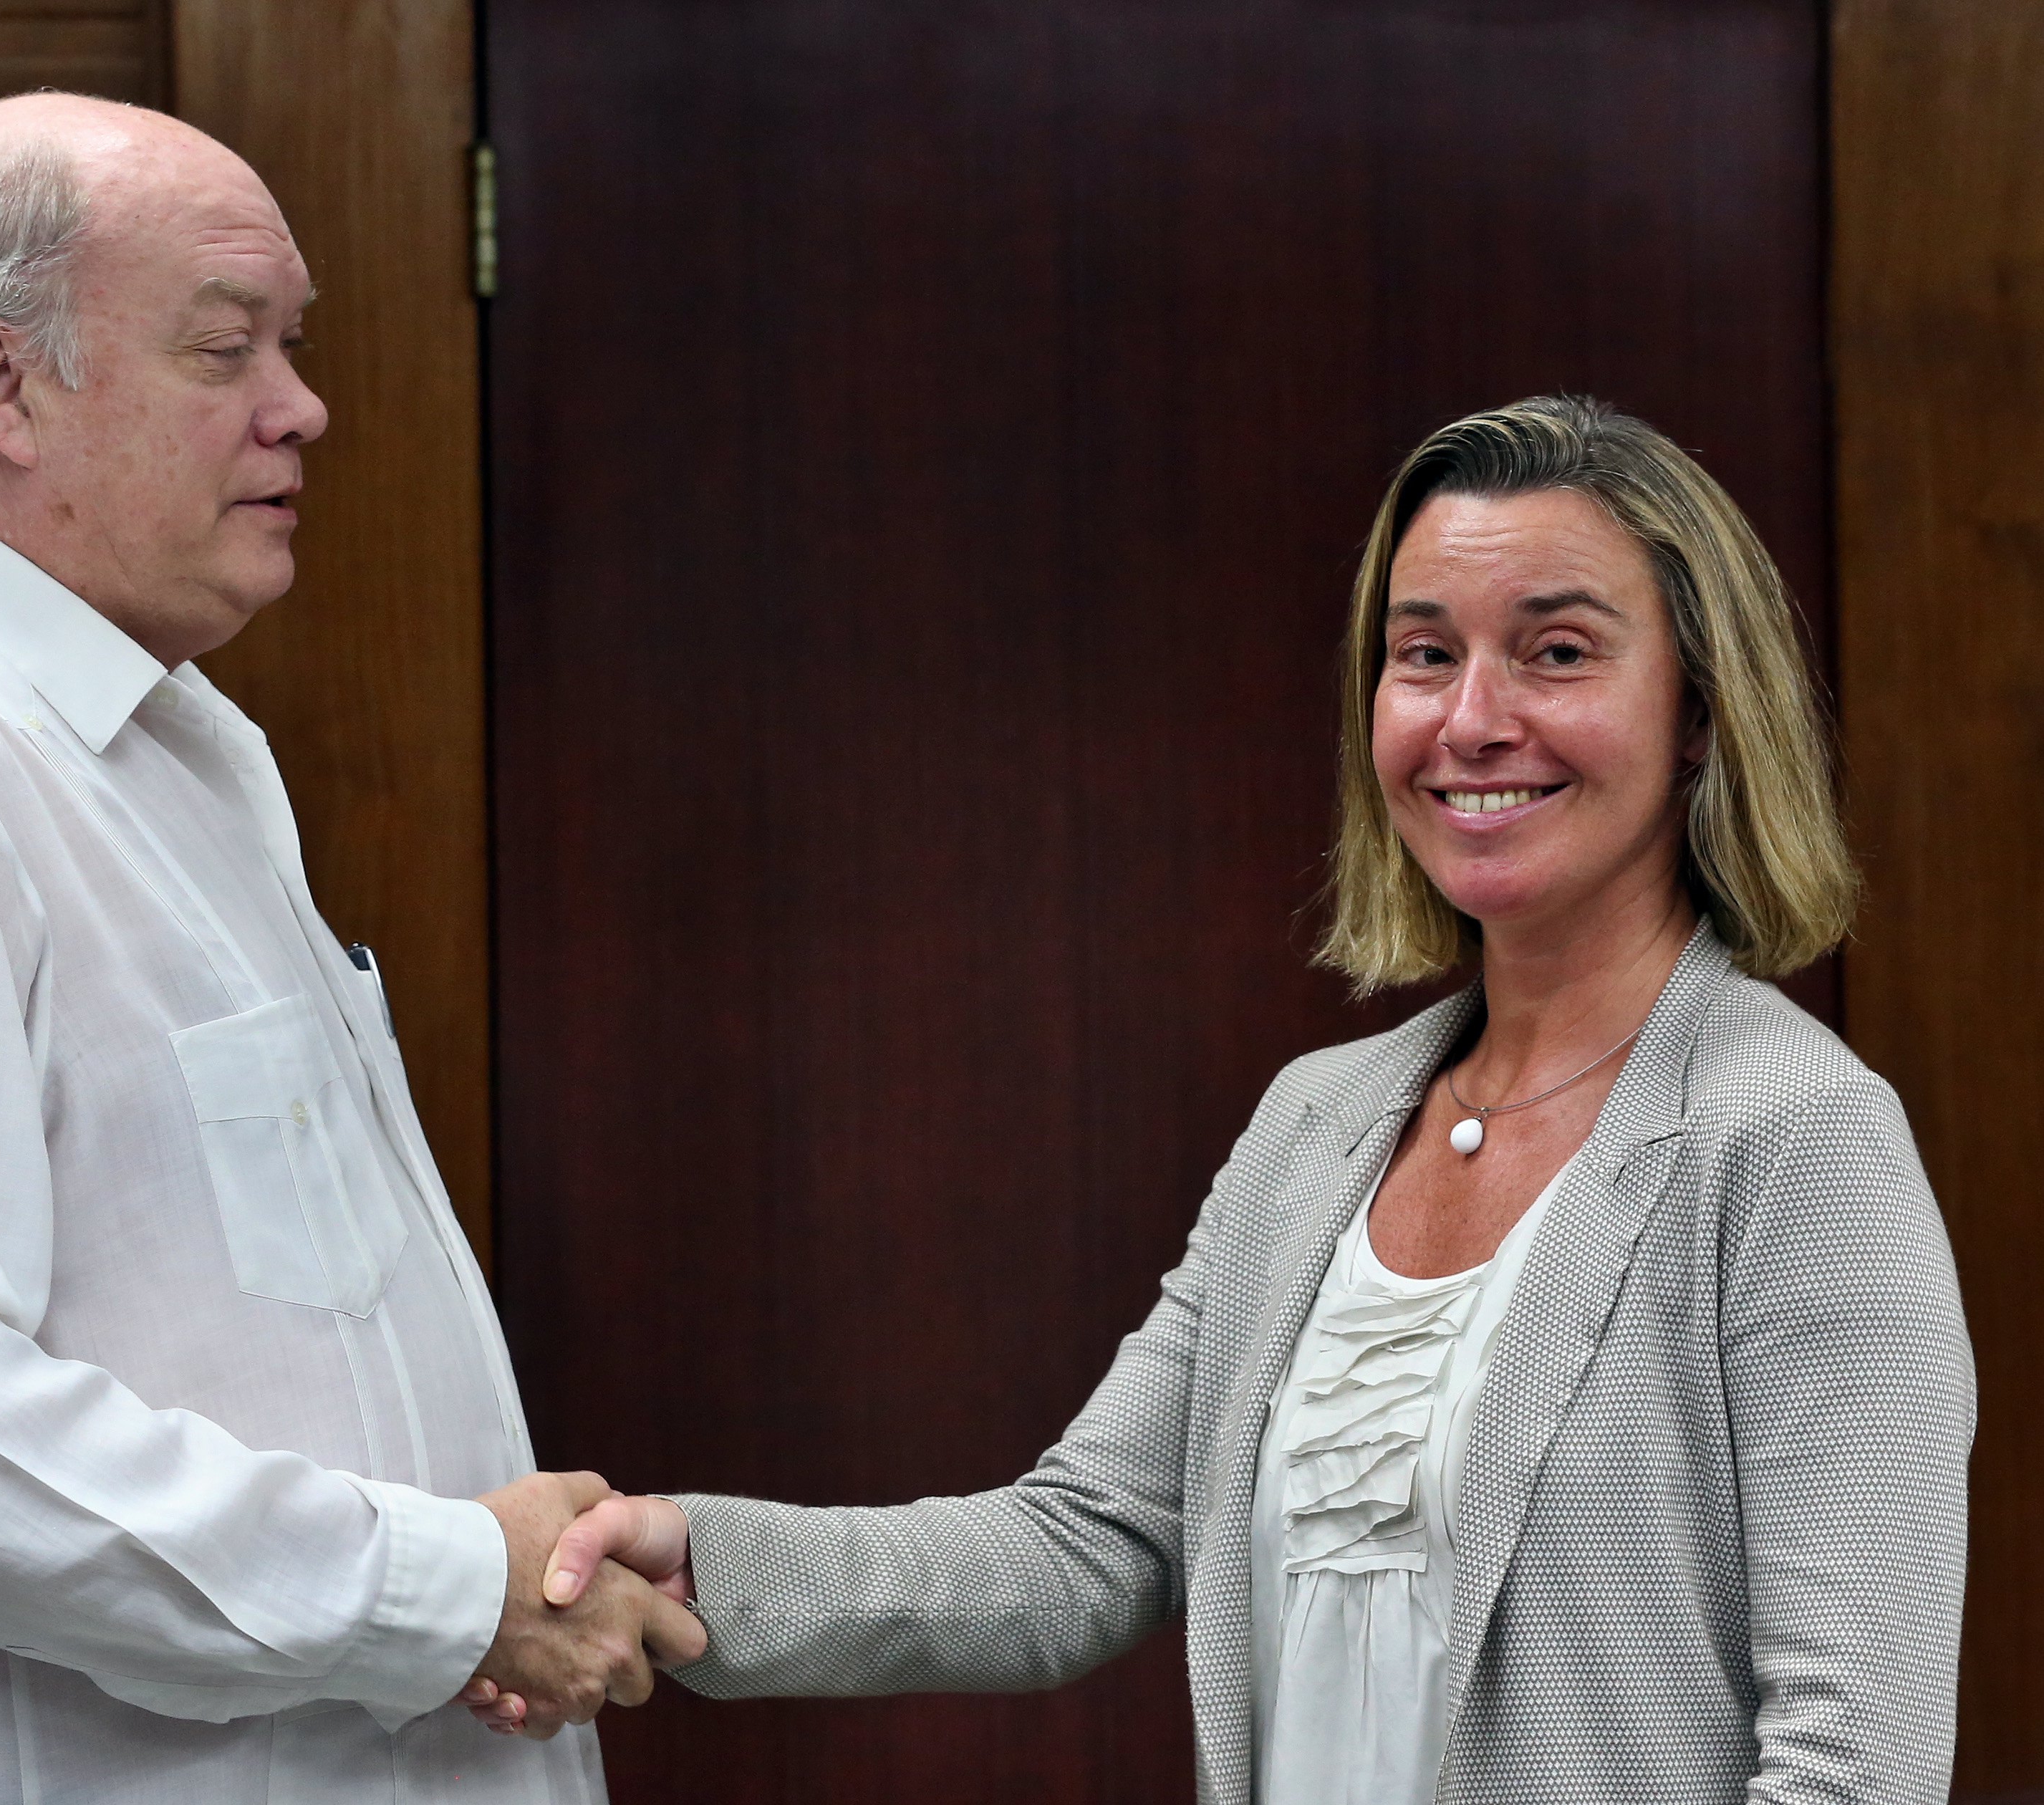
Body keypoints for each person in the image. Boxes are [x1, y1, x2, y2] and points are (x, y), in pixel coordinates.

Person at [475, 397, 1977, 1801]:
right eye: (1422, 652)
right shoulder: (1315, 1123)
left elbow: (1853, 1758)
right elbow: (1085, 1547)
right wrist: (688, 1565)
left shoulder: (1794, 1141)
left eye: (1558, 653)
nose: (1471, 719)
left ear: (1702, 716)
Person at [0, 93, 698, 1805]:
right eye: (226, 350)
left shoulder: (175, 744)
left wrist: (485, 1587)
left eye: (296, 341)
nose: (305, 407)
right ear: (1, 386)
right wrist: (438, 1591)